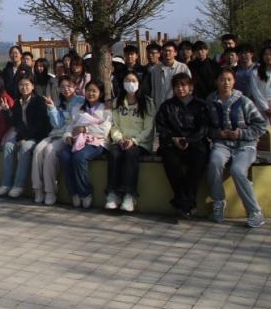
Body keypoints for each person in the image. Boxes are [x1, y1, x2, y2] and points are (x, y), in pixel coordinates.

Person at [206, 69, 268, 228]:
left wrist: (241, 133)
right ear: (216, 82)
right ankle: (218, 201)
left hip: (245, 145)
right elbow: (205, 128)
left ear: (234, 81)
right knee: (214, 162)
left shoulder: (244, 101)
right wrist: (217, 133)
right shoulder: (210, 102)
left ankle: (254, 211)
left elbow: (261, 126)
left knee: (237, 170)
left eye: (229, 79)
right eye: (222, 79)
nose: (225, 83)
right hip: (222, 144)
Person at [155, 73, 210, 218]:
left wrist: (189, 140)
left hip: (195, 144)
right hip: (172, 144)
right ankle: (187, 203)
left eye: (184, 85)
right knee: (171, 163)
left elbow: (203, 128)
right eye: (177, 86)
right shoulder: (167, 106)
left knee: (198, 161)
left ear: (190, 86)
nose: (180, 88)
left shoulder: (201, 106)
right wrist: (174, 139)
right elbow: (161, 127)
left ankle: (183, 202)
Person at [57, 81, 111, 209]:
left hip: (97, 142)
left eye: (94, 91)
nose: (90, 93)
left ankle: (85, 192)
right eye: (88, 90)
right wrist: (68, 136)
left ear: (100, 93)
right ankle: (74, 192)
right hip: (77, 141)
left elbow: (104, 130)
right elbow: (70, 125)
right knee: (64, 156)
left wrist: (85, 129)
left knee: (79, 157)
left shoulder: (106, 109)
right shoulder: (78, 108)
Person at [106, 73, 155, 212]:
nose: (130, 83)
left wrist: (134, 141)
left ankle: (129, 195)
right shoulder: (117, 102)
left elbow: (149, 128)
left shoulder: (147, 102)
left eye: (133, 80)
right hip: (121, 140)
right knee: (114, 154)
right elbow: (114, 125)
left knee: (130, 154)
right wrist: (119, 139)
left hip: (140, 143)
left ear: (139, 83)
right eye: (127, 80)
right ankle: (113, 193)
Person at [33, 76, 84, 205]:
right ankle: (38, 188)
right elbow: (57, 124)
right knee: (38, 150)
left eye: (69, 86)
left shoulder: (81, 101)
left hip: (68, 135)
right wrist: (52, 108)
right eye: (62, 87)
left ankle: (50, 190)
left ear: (75, 87)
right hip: (55, 134)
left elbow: (76, 122)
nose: (66, 89)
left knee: (50, 151)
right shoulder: (57, 102)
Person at [0, 76, 51, 198]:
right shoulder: (17, 102)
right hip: (23, 135)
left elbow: (40, 125)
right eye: (21, 85)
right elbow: (15, 123)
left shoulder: (39, 101)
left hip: (37, 136)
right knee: (8, 145)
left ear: (33, 86)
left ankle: (19, 185)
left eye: (27, 84)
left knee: (26, 147)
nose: (24, 87)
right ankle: (6, 183)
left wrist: (25, 138)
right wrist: (7, 111)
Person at [148, 41, 191, 111]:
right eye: (165, 51)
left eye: (170, 51)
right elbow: (153, 90)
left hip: (179, 107)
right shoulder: (155, 69)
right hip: (160, 107)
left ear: (175, 53)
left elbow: (189, 88)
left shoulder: (183, 68)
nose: (167, 53)